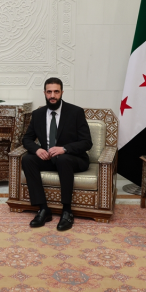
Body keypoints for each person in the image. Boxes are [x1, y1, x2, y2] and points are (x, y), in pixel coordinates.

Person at [22, 77, 93, 231]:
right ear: (44, 93)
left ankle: (67, 211)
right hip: (49, 158)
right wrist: (37, 149)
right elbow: (26, 139)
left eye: (56, 91)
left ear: (61, 93)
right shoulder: (38, 114)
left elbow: (87, 142)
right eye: (49, 92)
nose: (52, 95)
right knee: (28, 159)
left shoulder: (75, 112)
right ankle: (43, 209)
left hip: (73, 158)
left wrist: (64, 149)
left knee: (62, 159)